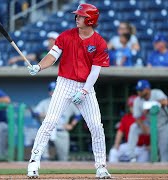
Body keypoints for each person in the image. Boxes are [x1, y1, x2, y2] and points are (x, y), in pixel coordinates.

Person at [26, 3, 111, 179]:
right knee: (49, 122)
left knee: (96, 126)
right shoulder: (65, 36)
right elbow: (52, 56)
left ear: (90, 19)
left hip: (85, 86)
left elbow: (95, 71)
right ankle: (33, 163)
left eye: (80, 16)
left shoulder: (99, 43)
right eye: (77, 15)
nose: (77, 18)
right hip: (64, 83)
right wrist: (39, 66)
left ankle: (101, 166)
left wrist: (85, 91)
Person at [33, 82, 81, 161]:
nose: (54, 92)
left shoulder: (68, 103)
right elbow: (35, 113)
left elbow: (78, 114)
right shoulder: (44, 103)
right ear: (49, 92)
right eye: (52, 90)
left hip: (61, 131)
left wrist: (72, 125)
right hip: (47, 131)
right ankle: (45, 168)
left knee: (63, 157)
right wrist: (42, 114)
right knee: (44, 156)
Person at [126, 80, 168, 162]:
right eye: (138, 90)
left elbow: (165, 102)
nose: (139, 92)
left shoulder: (156, 93)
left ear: (147, 89)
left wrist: (151, 104)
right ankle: (131, 156)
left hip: (163, 125)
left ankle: (164, 170)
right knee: (134, 127)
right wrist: (143, 127)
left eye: (141, 90)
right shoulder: (138, 100)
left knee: (164, 151)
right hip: (149, 125)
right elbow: (137, 117)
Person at [109, 95, 150, 163]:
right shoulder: (126, 117)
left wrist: (150, 145)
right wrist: (116, 144)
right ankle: (113, 170)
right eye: (131, 106)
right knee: (113, 152)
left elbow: (152, 132)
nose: (133, 108)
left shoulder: (145, 117)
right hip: (129, 145)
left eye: (134, 106)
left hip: (142, 147)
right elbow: (120, 132)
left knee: (143, 162)